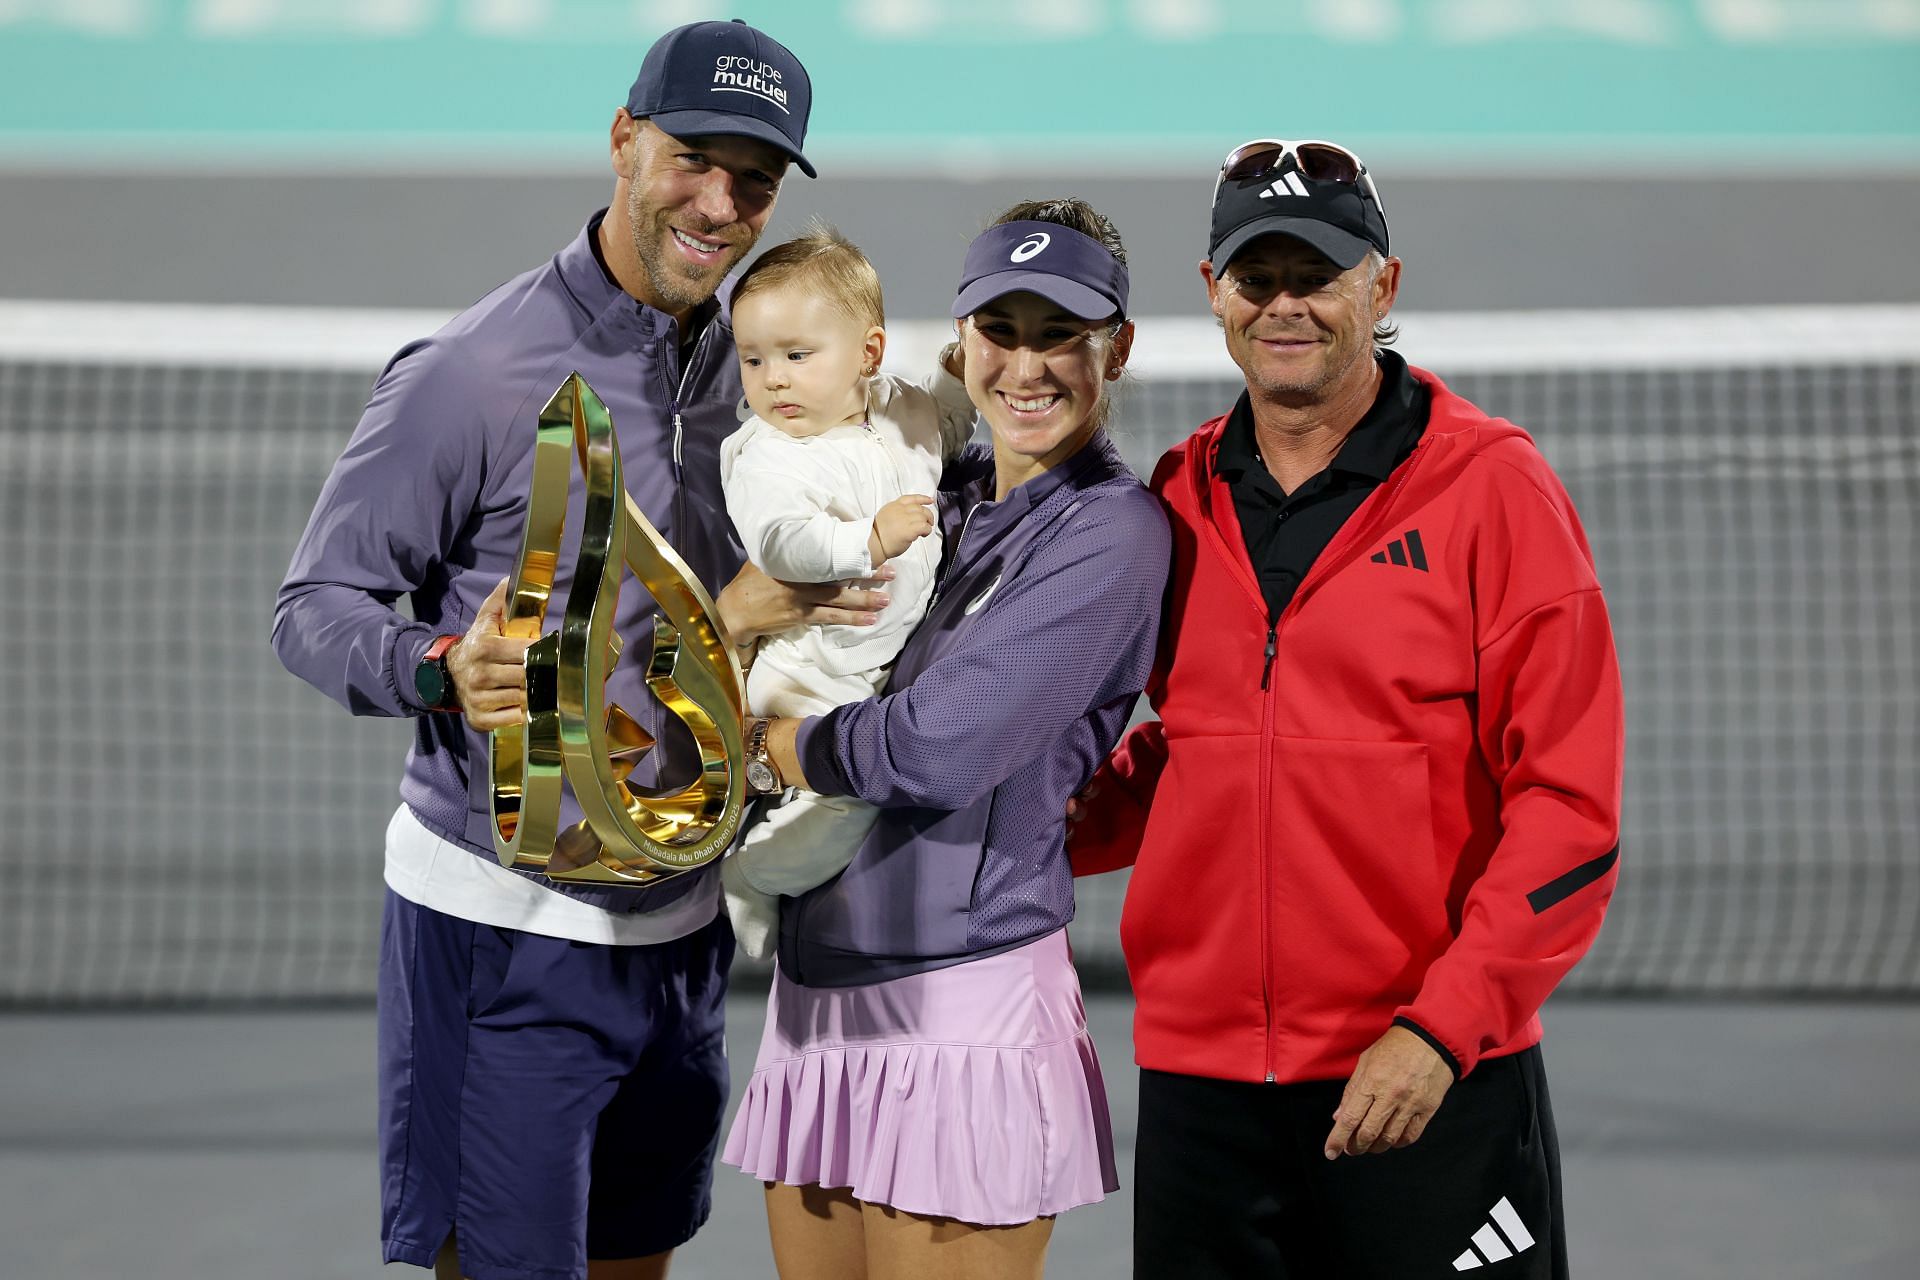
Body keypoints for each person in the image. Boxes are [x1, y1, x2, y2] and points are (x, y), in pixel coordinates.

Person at [271, 21, 866, 1280]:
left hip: (681, 931)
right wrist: (441, 664)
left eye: (752, 180)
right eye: (692, 159)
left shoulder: (763, 369)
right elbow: (316, 602)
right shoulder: (474, 371)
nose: (718, 203)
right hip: (504, 928)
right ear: (623, 139)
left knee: (633, 1258)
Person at [1068, 139, 1624, 1278]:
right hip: (1203, 1095)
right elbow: (1198, 752)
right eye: (1256, 276)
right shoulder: (1173, 498)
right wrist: (985, 827)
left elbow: (1570, 807)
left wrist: (1440, 1028)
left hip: (1425, 1079)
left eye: (1317, 274)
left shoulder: (1493, 490)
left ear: (1383, 284)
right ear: (1213, 290)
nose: (1286, 305)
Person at [721, 199, 1170, 1280]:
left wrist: (764, 745)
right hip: (821, 997)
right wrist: (735, 619)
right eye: (1000, 329)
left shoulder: (1112, 532)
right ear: (960, 342)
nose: (1026, 364)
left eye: (1059, 332)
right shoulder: (927, 493)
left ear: (1116, 349)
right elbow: (734, 627)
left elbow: (934, 747)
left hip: (963, 1015)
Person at [717, 225, 977, 960]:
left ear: (869, 353)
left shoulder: (901, 412)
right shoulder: (768, 455)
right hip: (806, 674)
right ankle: (753, 873)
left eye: (798, 356)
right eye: (755, 359)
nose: (773, 379)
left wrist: (957, 378)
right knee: (849, 802)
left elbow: (946, 432)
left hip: (870, 668)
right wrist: (865, 540)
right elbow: (778, 543)